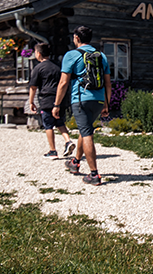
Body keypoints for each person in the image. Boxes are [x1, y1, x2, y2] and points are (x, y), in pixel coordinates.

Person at [52, 26, 111, 186]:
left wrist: (57, 104)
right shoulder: (102, 56)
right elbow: (107, 83)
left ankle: (94, 174)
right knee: (85, 129)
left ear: (76, 37)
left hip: (80, 99)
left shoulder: (71, 55)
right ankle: (75, 162)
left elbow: (63, 82)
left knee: (86, 134)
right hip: (98, 100)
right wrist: (106, 104)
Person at [29, 42, 74, 159]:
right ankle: (68, 141)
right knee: (60, 122)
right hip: (60, 98)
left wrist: (31, 101)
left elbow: (33, 87)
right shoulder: (57, 66)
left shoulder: (38, 68)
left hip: (47, 99)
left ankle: (53, 150)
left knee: (48, 125)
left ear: (38, 54)